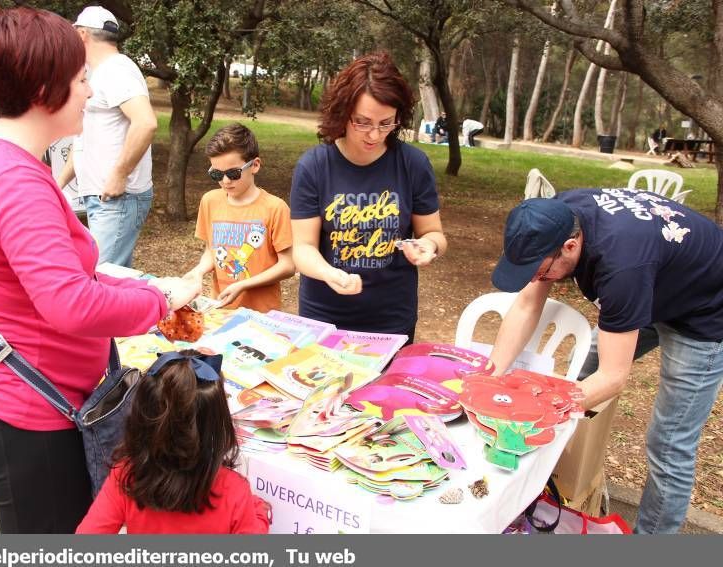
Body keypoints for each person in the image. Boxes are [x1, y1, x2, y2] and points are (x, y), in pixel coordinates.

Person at [0, 6, 199, 533]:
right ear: (44, 87)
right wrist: (161, 301)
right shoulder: (16, 182)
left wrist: (147, 288)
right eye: (82, 78)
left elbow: (63, 280)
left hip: (26, 407)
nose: (88, 91)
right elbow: (71, 303)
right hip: (24, 416)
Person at [488, 190, 723, 534]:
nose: (535, 279)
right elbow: (526, 305)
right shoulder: (556, 216)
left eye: (539, 271)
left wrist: (535, 411)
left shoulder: (621, 267)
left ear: (570, 247)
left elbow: (613, 377)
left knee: (670, 442)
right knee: (577, 376)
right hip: (652, 282)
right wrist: (491, 375)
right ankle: (559, 486)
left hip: (705, 309)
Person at [290, 52, 447, 339]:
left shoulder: (413, 165)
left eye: (386, 123)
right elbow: (302, 248)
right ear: (342, 112)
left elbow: (435, 233)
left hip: (391, 320)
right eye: (362, 122)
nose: (374, 135)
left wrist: (428, 246)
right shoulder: (313, 167)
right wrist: (329, 273)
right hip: (324, 317)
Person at [76, 350, 271, 534]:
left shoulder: (126, 475)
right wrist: (261, 516)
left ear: (140, 418)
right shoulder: (233, 490)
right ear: (217, 424)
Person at [57, 5, 157, 268]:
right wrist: (59, 183)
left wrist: (119, 174)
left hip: (117, 197)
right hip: (104, 197)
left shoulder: (117, 70)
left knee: (98, 278)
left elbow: (145, 123)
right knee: (112, 281)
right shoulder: (96, 74)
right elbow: (86, 142)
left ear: (81, 35)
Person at [182, 124, 294, 312]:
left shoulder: (276, 208)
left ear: (255, 165)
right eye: (216, 174)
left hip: (262, 315)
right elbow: (212, 250)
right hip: (221, 310)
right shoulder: (210, 201)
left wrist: (244, 284)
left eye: (233, 173)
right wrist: (198, 271)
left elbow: (288, 265)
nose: (225, 181)